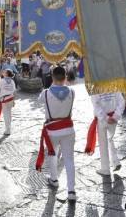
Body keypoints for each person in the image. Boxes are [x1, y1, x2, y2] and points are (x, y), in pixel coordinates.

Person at [36, 66, 76, 201]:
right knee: (69, 160)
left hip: (52, 131)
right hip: (68, 130)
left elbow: (39, 101)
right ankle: (71, 191)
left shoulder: (46, 93)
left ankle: (54, 179)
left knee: (52, 155)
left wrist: (53, 82)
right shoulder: (72, 92)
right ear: (65, 77)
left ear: (52, 77)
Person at [91, 92, 125, 176]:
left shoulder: (95, 88)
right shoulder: (113, 84)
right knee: (110, 139)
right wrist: (116, 116)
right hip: (113, 118)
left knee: (103, 143)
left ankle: (105, 168)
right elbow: (121, 102)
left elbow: (96, 105)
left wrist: (105, 117)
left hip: (102, 120)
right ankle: (115, 161)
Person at [0, 69, 16, 135]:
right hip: (11, 98)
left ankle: (8, 130)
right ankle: (8, 128)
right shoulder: (12, 81)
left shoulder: (2, 80)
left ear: (7, 74)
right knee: (9, 114)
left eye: (4, 72)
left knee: (6, 114)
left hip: (4, 99)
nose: (3, 73)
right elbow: (14, 90)